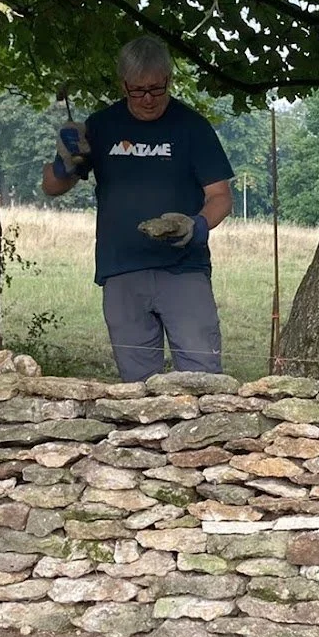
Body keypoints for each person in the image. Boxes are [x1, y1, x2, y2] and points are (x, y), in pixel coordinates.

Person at [42, 37, 234, 380]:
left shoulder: (192, 128)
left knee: (203, 379)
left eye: (157, 90)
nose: (148, 99)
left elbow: (220, 195)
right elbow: (52, 188)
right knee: (137, 388)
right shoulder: (101, 126)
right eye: (138, 90)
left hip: (183, 270)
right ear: (123, 85)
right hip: (122, 271)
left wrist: (197, 226)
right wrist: (65, 162)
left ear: (169, 81)